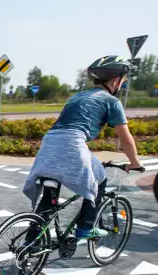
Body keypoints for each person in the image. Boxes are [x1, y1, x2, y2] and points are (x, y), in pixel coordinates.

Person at [23, 55, 143, 241]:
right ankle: (85, 228)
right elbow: (125, 138)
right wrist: (135, 162)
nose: (122, 86)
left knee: (49, 197)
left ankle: (30, 245)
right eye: (123, 82)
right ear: (116, 80)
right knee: (100, 178)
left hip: (49, 142)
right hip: (72, 143)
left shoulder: (77, 96)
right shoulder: (112, 102)